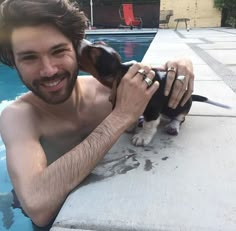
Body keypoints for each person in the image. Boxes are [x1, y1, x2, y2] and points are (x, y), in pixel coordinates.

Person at [0, 0, 194, 228]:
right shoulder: (19, 117)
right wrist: (120, 117)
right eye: (29, 57)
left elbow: (163, 84)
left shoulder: (113, 92)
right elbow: (38, 207)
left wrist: (181, 65)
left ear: (77, 50)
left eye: (59, 51)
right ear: (13, 62)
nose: (48, 70)